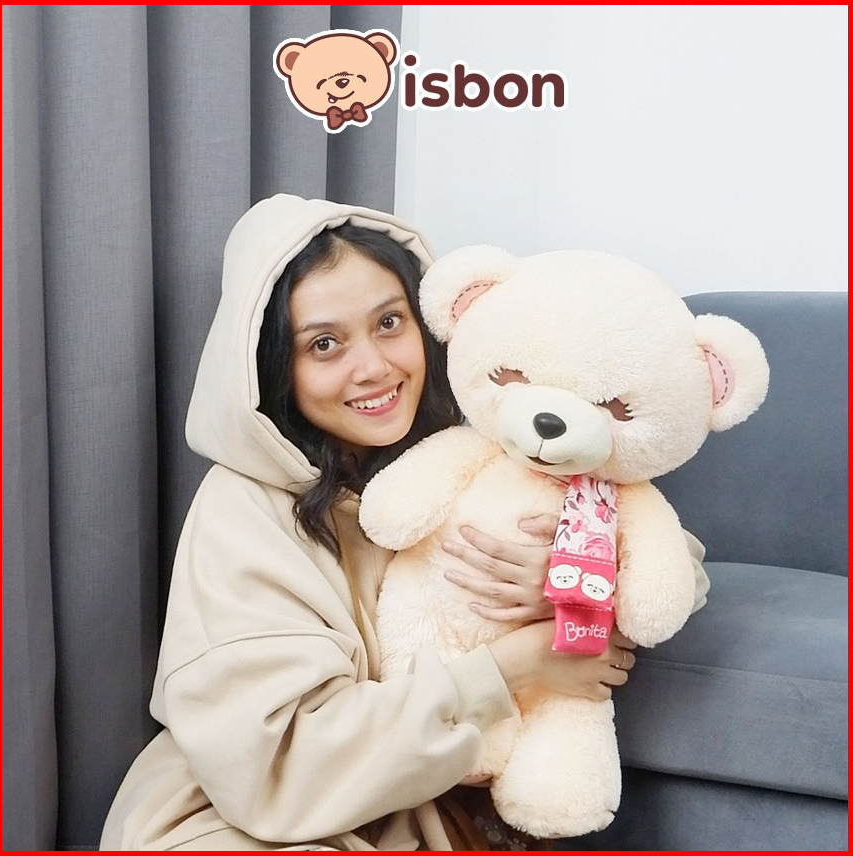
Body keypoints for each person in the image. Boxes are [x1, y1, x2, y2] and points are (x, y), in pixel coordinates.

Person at [100, 194, 707, 850]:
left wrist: (571, 577)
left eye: (389, 322)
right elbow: (277, 766)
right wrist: (514, 666)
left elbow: (676, 564)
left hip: (422, 809)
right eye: (324, 344)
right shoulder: (242, 508)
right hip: (247, 818)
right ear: (275, 366)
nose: (374, 367)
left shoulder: (480, 443)